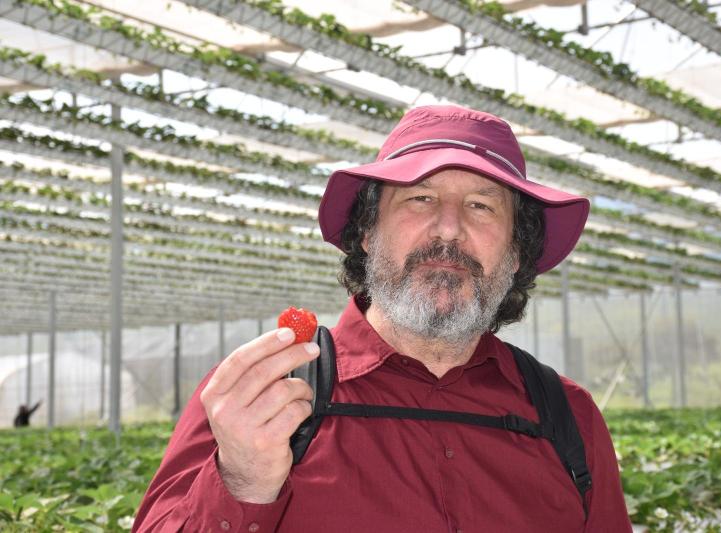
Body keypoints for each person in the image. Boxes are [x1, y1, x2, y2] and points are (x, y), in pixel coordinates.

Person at [133, 105, 631, 532]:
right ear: (368, 233)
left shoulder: (568, 416)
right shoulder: (262, 395)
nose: (450, 229)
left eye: (482, 206)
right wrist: (240, 481)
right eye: (420, 198)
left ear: (516, 254)